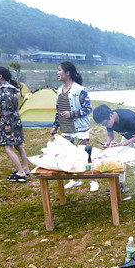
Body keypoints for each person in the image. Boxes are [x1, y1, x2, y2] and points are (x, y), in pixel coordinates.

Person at [49, 61, 95, 190]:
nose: (57, 73)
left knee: (83, 155)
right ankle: (76, 179)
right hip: (66, 129)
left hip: (80, 129)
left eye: (59, 70)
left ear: (67, 73)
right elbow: (58, 110)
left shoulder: (80, 90)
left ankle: (93, 180)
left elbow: (87, 109)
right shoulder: (59, 91)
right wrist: (55, 126)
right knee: (67, 155)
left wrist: (72, 114)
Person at [92, 104, 135, 200]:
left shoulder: (127, 119)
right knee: (119, 159)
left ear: (110, 116)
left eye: (105, 124)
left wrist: (123, 144)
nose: (105, 126)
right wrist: (107, 143)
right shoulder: (107, 119)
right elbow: (110, 136)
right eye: (103, 125)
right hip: (127, 135)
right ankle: (119, 184)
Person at [0, 67, 30, 182]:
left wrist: (7, 124)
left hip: (9, 121)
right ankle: (26, 169)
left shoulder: (6, 90)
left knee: (8, 148)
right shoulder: (8, 88)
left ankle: (21, 173)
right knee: (18, 145)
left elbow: (7, 107)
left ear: (0, 76)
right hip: (15, 120)